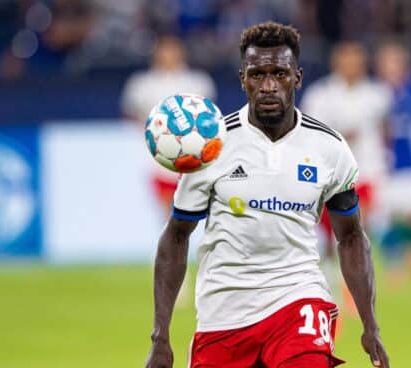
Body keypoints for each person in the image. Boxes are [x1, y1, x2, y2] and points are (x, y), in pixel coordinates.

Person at [145, 22, 389, 368]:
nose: (269, 86)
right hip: (224, 313)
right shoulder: (212, 147)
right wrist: (161, 337)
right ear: (243, 79)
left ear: (298, 78)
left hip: (299, 298)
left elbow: (350, 236)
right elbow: (176, 236)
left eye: (280, 73)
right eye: (258, 75)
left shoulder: (329, 147)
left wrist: (370, 324)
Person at [301, 41, 391, 309]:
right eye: (346, 60)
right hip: (331, 176)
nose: (352, 66)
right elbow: (310, 132)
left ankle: (354, 286)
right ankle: (331, 282)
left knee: (360, 229)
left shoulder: (378, 94)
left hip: (367, 171)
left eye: (356, 60)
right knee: (329, 237)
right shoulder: (321, 95)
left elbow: (387, 130)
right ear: (336, 63)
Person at [121, 35, 216, 213]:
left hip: (190, 154)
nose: (169, 55)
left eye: (173, 49)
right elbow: (129, 116)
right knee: (164, 212)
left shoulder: (198, 81)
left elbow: (209, 119)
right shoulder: (141, 84)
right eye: (165, 49)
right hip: (156, 156)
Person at [374, 40, 411, 286]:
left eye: (395, 62)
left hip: (408, 162)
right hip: (380, 164)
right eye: (387, 62)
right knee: (382, 216)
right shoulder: (373, 94)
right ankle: (394, 264)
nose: (391, 67)